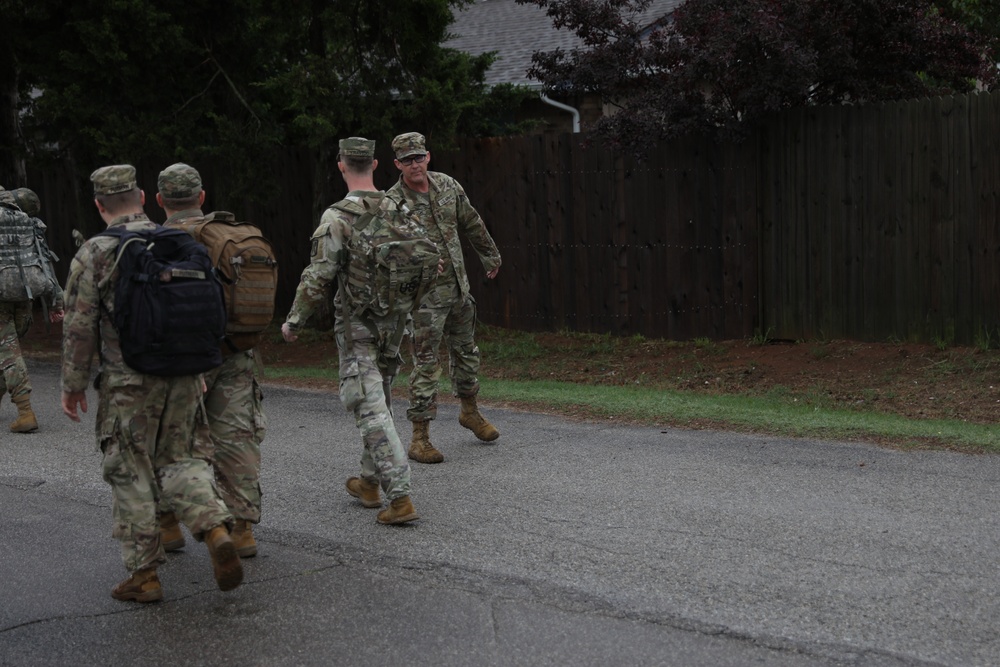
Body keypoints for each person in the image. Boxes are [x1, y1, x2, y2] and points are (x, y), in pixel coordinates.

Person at [61, 164, 242, 602]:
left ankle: (145, 575)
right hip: (184, 372)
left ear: (99, 205)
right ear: (143, 196)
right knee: (183, 458)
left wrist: (73, 384)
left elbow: (79, 326)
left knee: (130, 470)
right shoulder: (178, 242)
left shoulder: (96, 252)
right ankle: (214, 526)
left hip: (128, 382)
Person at [281, 137, 420, 525]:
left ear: (342, 165)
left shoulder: (337, 217)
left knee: (370, 407)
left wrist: (295, 320)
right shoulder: (402, 207)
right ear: (375, 164)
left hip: (358, 326)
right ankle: (369, 483)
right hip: (395, 323)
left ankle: (401, 496)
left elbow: (320, 274)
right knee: (381, 400)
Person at [154, 162, 267, 558]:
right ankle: (242, 529)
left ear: (159, 200)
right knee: (237, 436)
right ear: (201, 198)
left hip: (182, 361)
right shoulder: (228, 237)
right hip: (236, 351)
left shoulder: (157, 242)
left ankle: (167, 523)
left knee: (172, 440)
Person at [385, 131, 502, 464]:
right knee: (426, 364)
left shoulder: (448, 186)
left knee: (466, 352)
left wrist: (490, 256)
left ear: (428, 157)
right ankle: (420, 437)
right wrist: (415, 259)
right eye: (407, 160)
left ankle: (469, 411)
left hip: (458, 290)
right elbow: (384, 251)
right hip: (424, 299)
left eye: (419, 157)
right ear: (397, 164)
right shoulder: (392, 203)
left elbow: (471, 222)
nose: (415, 164)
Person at [0, 188, 64, 432]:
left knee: (8, 354)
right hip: (25, 297)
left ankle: (26, 412)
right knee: (6, 352)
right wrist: (56, 301)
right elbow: (44, 261)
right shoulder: (27, 222)